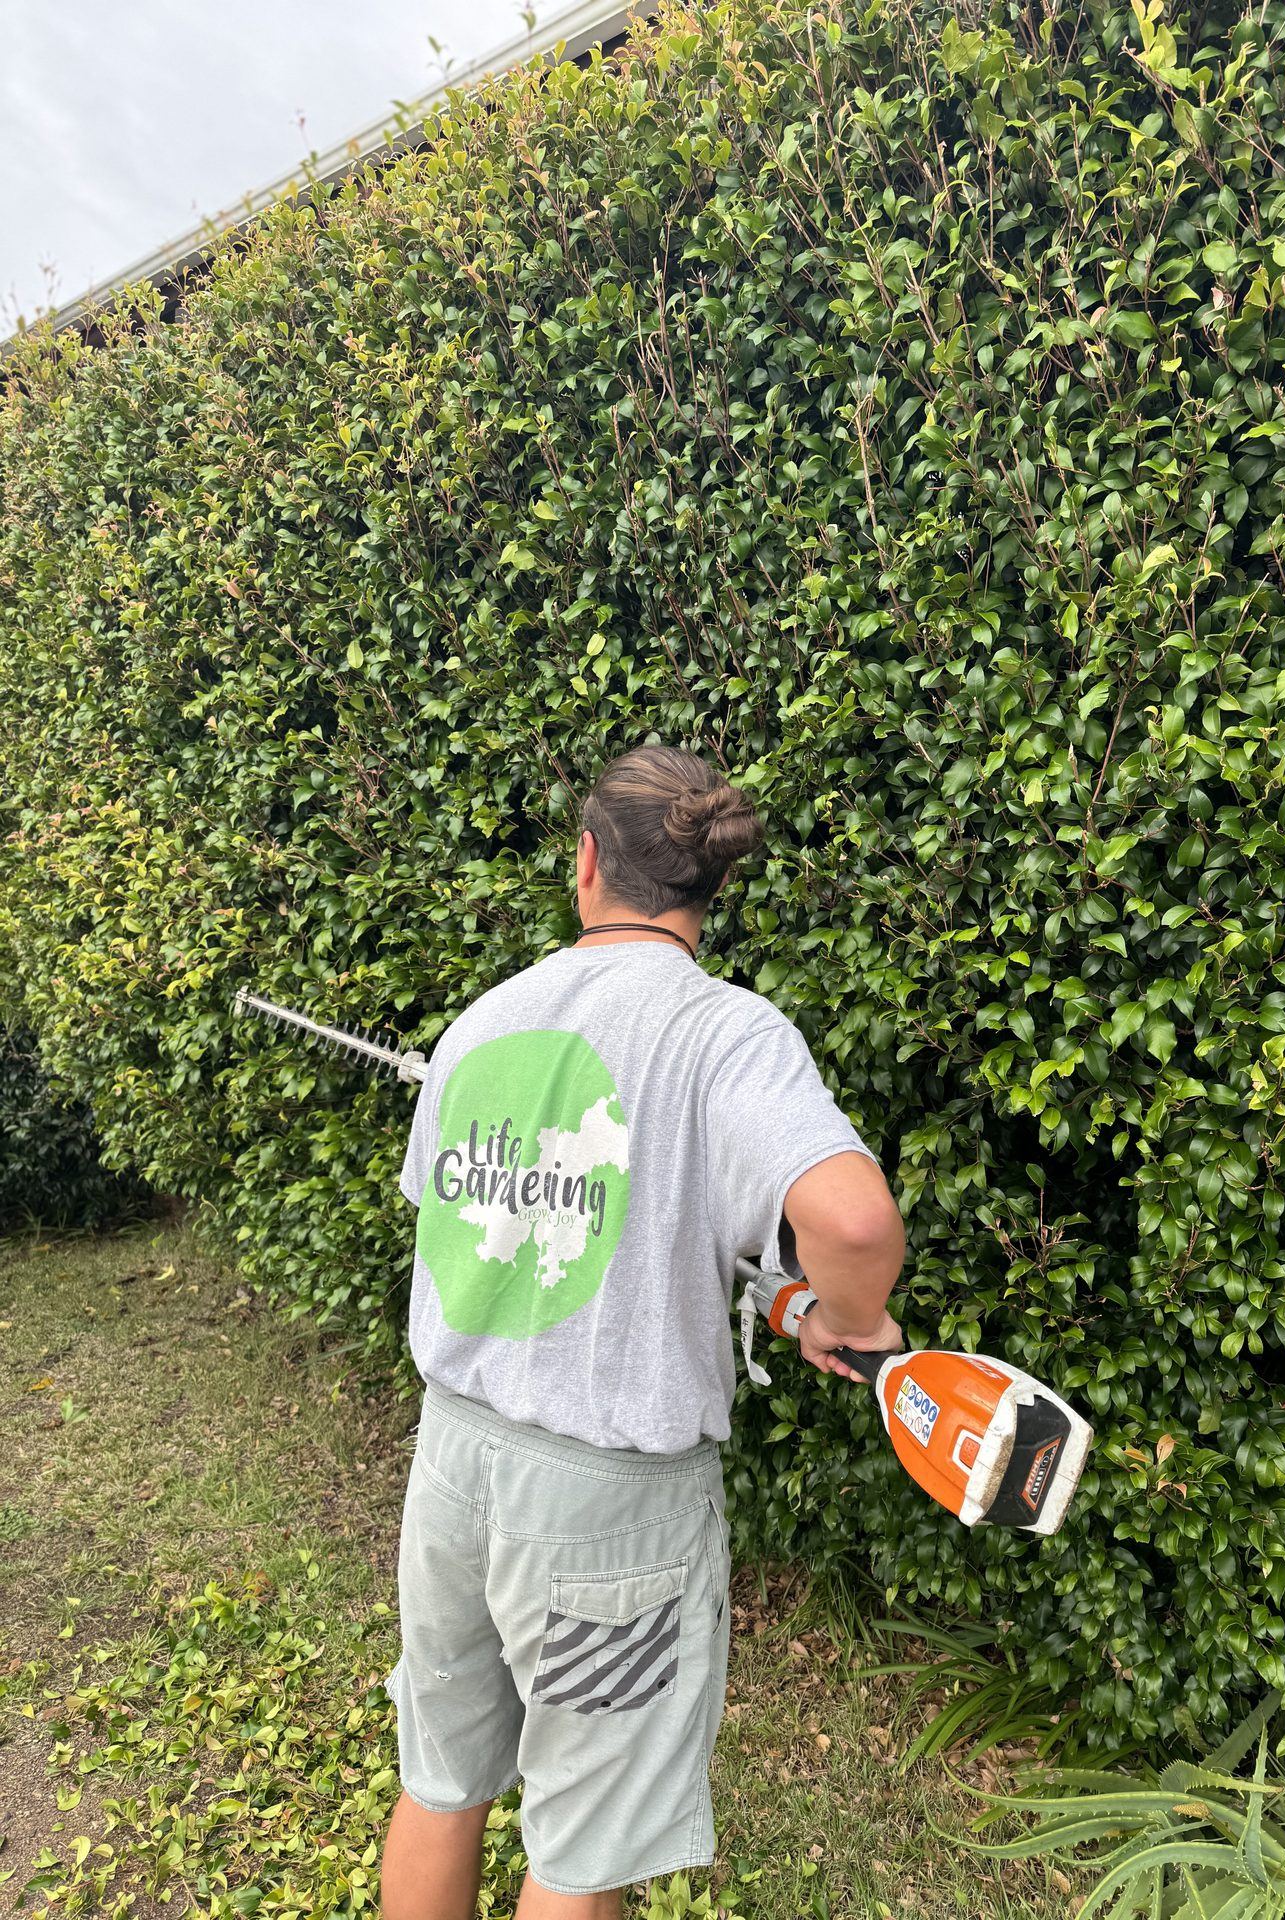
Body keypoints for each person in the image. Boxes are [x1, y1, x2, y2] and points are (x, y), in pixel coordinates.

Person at [379, 744, 906, 1919]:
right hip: (608, 1515)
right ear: (707, 887)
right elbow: (856, 1219)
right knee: (582, 1845)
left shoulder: (485, 1019)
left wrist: (785, 1299)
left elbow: (523, 1231)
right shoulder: (724, 1033)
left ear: (586, 865)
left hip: (452, 1468)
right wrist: (853, 1318)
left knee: (441, 1778)